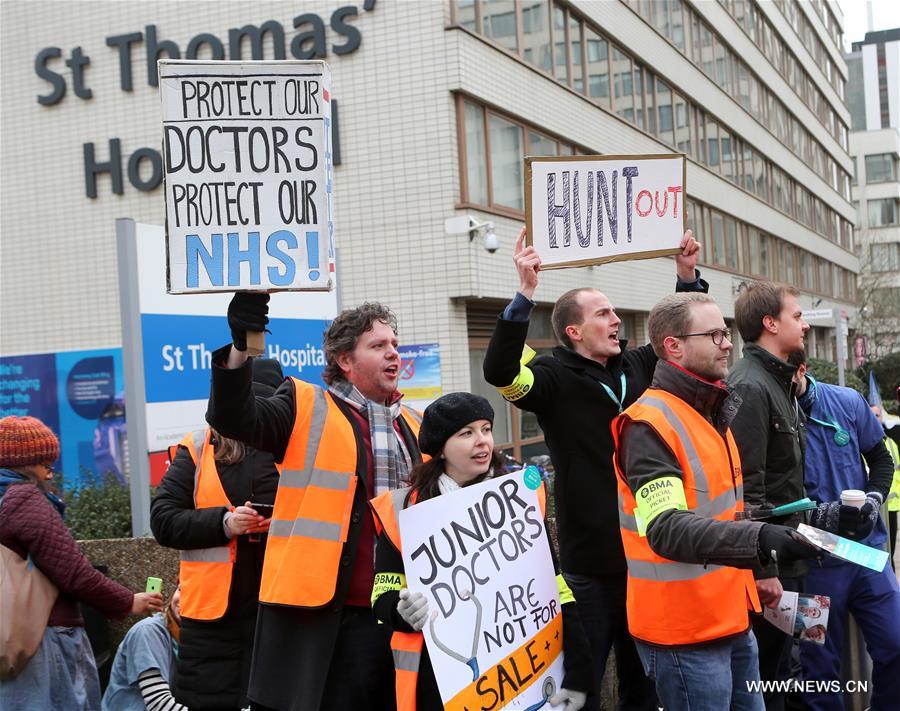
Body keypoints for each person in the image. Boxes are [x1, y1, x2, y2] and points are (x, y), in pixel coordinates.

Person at [482, 227, 706, 710]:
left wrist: (686, 276)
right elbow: (500, 371)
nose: (615, 320)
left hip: (649, 559)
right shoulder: (550, 377)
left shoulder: (641, 366)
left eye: (613, 311)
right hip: (592, 567)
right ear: (574, 332)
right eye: (602, 313)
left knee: (643, 684)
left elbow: (679, 339)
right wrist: (524, 293)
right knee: (581, 684)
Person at [206, 295, 424, 711]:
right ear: (345, 360)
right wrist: (240, 348)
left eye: (394, 343)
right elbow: (234, 417)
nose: (393, 352)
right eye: (378, 346)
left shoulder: (415, 424)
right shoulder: (304, 405)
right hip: (327, 617)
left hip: (402, 612)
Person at [613, 293, 820, 710]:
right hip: (683, 633)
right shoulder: (648, 424)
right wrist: (762, 540)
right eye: (714, 335)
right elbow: (667, 528)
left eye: (725, 333)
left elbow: (731, 510)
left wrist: (819, 519)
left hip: (730, 616)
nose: (728, 343)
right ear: (674, 346)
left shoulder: (709, 411)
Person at [370, 392, 592, 711]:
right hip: (441, 688)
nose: (482, 441)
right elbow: (382, 595)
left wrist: (580, 672)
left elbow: (554, 588)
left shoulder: (517, 500)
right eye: (467, 433)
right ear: (441, 446)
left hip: (526, 679)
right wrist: (401, 610)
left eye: (486, 429)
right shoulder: (405, 510)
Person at [0, 415, 162, 710]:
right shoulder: (23, 499)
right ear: (24, 463)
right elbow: (73, 572)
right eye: (45, 465)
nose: (50, 476)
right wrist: (127, 602)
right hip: (42, 639)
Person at [150, 358, 282, 709]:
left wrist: (280, 523)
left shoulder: (294, 449)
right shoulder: (196, 448)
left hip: (281, 612)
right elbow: (163, 520)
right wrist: (225, 523)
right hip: (211, 623)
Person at [787, 351, 900, 711]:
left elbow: (882, 459)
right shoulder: (764, 411)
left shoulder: (846, 401)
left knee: (897, 644)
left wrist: (873, 497)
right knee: (818, 668)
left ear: (801, 370)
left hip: (866, 554)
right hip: (810, 563)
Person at [725, 282, 810, 710]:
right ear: (770, 323)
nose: (805, 323)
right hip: (770, 567)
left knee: (785, 669)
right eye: (797, 316)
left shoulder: (778, 381)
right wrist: (762, 569)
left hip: (788, 555)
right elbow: (746, 487)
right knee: (765, 680)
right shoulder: (751, 386)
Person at [101, 586, 184, 711]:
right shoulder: (148, 631)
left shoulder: (187, 635)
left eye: (195, 593)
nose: (183, 599)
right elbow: (158, 704)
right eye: (181, 590)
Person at [871, 404, 900, 568]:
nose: (874, 419)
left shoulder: (891, 443)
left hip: (892, 505)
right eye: (871, 415)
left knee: (890, 551)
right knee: (878, 551)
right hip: (872, 505)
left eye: (877, 415)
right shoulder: (863, 441)